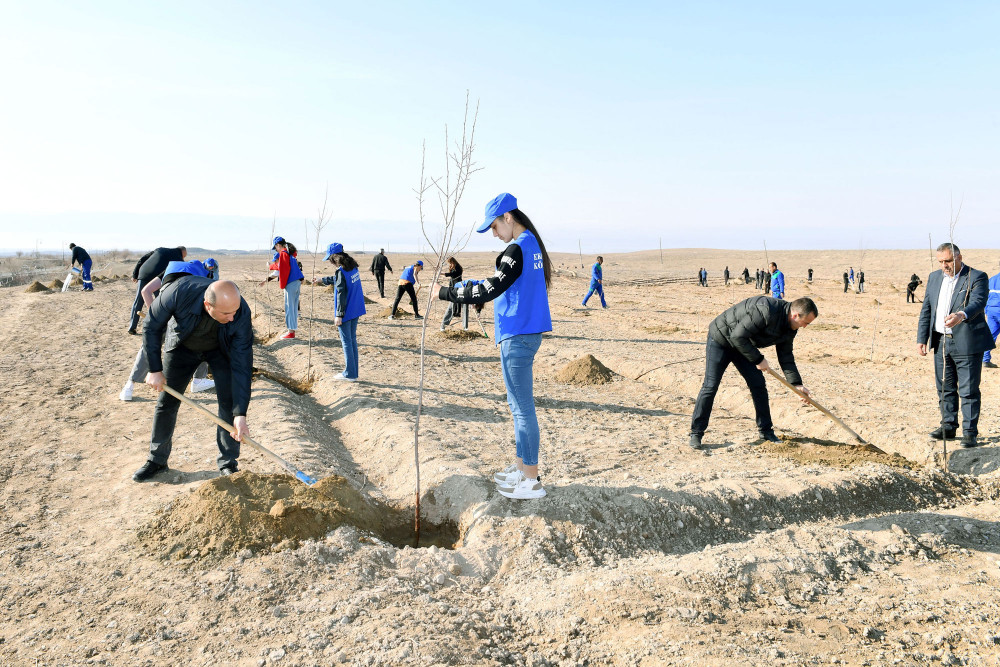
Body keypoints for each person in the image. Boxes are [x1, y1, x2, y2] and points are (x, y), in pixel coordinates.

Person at [438, 193, 552, 500]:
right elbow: (504, 284)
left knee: (522, 409)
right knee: (517, 407)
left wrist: (446, 292)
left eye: (494, 226)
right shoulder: (530, 244)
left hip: (518, 334)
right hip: (522, 332)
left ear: (508, 218)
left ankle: (531, 479)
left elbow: (490, 289)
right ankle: (522, 468)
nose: (494, 233)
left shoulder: (517, 248)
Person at [131, 279, 253, 481]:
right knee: (167, 403)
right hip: (182, 346)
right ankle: (156, 460)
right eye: (226, 313)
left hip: (220, 350)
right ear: (208, 305)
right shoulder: (178, 292)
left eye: (234, 312)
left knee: (229, 404)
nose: (232, 318)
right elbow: (151, 325)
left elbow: (242, 364)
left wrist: (240, 413)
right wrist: (155, 369)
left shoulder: (240, 312)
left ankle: (228, 464)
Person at [689, 296, 818, 449]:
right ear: (795, 315)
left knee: (758, 385)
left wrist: (796, 384)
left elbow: (786, 357)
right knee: (710, 386)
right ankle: (696, 433)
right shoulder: (767, 310)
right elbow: (737, 336)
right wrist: (758, 359)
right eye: (806, 322)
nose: (805, 327)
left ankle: (766, 431)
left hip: (743, 346)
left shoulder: (790, 328)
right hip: (721, 338)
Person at [917, 243, 995, 448]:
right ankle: (948, 427)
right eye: (941, 261)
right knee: (944, 387)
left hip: (967, 343)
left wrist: (961, 315)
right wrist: (922, 338)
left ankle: (970, 433)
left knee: (968, 390)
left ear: (959, 257)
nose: (945, 265)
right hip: (941, 342)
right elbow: (927, 309)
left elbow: (978, 302)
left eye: (948, 261)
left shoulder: (976, 276)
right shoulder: (934, 277)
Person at [120, 259, 219, 401]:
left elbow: (145, 290)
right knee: (203, 334)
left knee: (150, 343)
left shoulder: (171, 269)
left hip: (166, 304)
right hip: (184, 308)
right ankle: (198, 380)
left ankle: (129, 386)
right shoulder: (203, 276)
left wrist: (155, 315)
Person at [312, 243, 366, 380]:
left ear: (334, 257)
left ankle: (349, 374)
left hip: (346, 311)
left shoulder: (341, 271)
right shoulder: (352, 267)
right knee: (352, 340)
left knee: (346, 342)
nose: (330, 262)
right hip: (356, 308)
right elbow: (338, 280)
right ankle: (353, 372)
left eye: (330, 259)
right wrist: (322, 280)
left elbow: (341, 293)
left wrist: (339, 315)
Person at [130, 246, 187, 334]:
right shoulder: (178, 257)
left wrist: (135, 274)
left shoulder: (160, 249)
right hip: (156, 277)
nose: (183, 258)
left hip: (144, 273)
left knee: (138, 301)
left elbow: (142, 259)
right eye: (184, 256)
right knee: (160, 302)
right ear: (182, 252)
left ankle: (132, 327)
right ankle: (160, 326)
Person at [271, 236, 304, 339]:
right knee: (293, 307)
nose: (276, 250)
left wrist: (282, 285)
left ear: (278, 245)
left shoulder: (284, 253)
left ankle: (291, 332)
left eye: (276, 247)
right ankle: (292, 330)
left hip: (291, 283)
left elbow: (284, 270)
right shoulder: (290, 253)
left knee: (289, 308)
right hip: (296, 282)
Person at [440, 256, 464, 329]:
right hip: (452, 283)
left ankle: (458, 312)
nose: (450, 264)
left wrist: (443, 274)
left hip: (457, 283)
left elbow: (453, 274)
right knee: (454, 298)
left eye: (450, 262)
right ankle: (454, 312)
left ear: (453, 261)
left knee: (458, 298)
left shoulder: (458, 267)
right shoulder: (452, 266)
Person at [984, 262, 1000, 368]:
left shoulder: (992, 279)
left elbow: (985, 296)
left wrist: (987, 310)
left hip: (991, 311)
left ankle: (985, 360)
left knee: (990, 335)